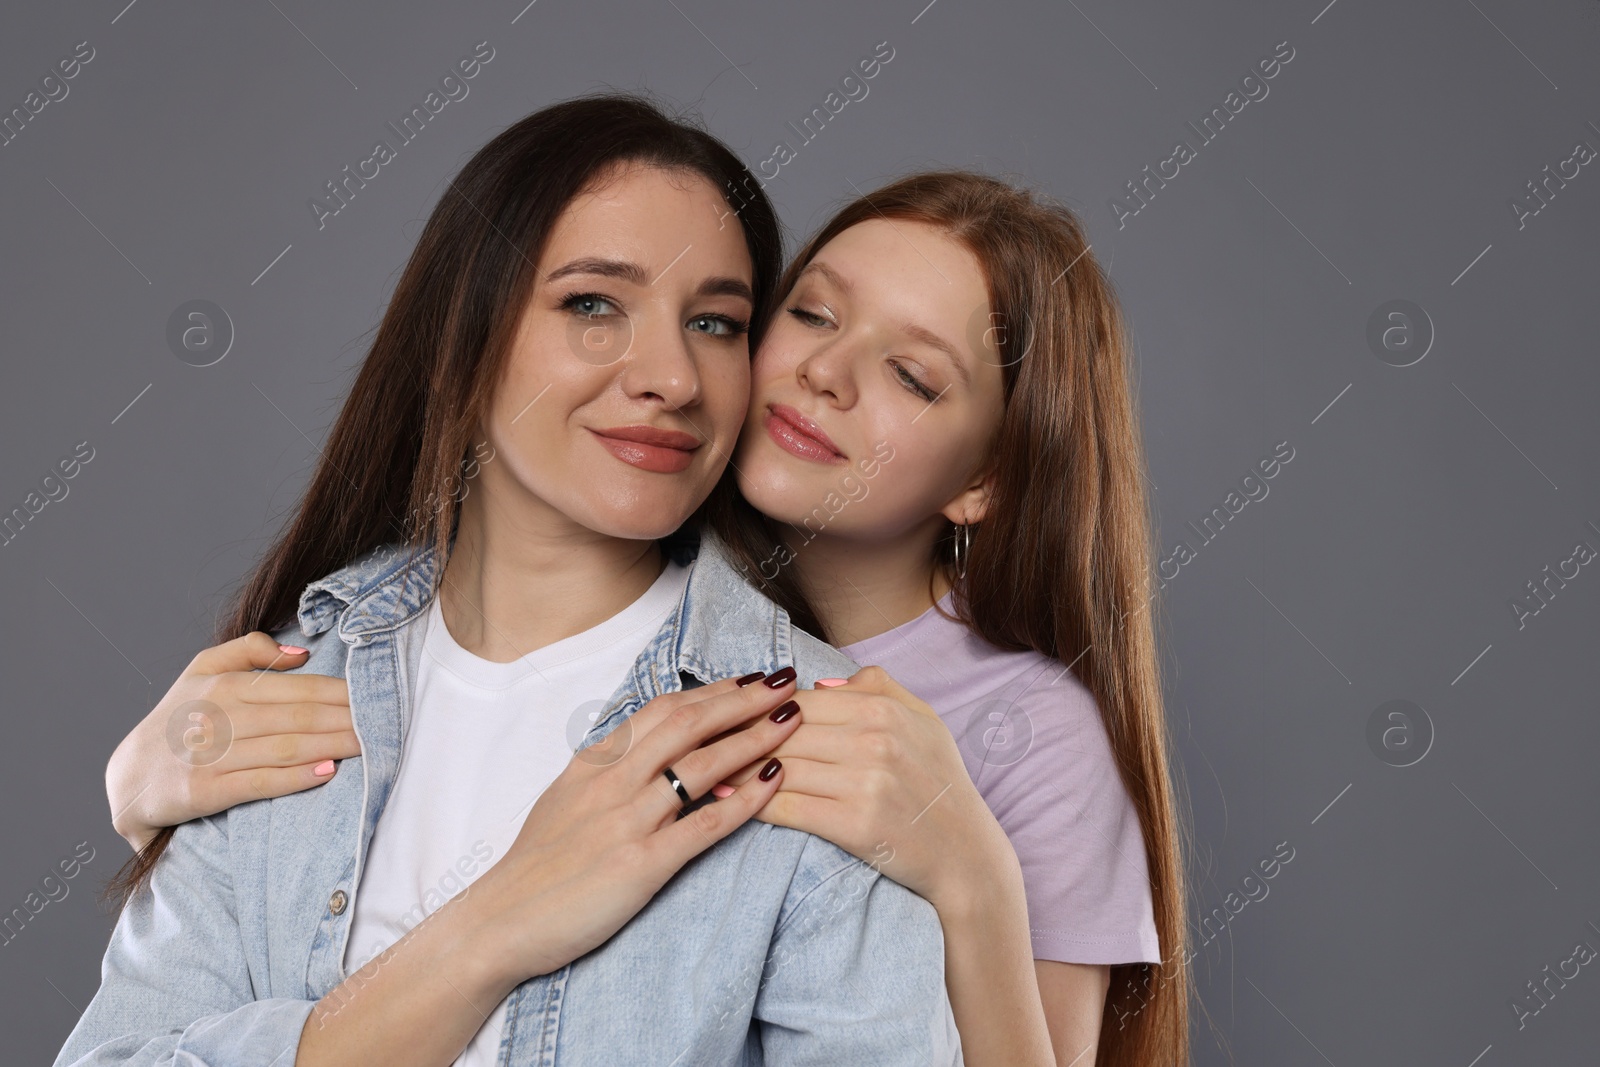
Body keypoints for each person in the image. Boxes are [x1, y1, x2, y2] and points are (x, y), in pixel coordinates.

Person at [101, 152, 1191, 1067]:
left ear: (983, 480)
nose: (821, 373)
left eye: (911, 374)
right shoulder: (397, 629)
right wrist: (140, 782)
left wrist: (970, 868)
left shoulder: (984, 730)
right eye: (805, 313)